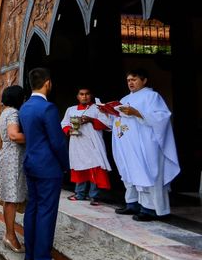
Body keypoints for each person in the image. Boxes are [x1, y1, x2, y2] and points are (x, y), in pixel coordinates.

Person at [105, 69, 179, 221]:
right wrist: (110, 114)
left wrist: (137, 113)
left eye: (134, 79)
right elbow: (121, 121)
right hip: (128, 143)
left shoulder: (152, 96)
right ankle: (133, 203)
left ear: (144, 81)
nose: (130, 82)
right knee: (131, 173)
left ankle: (152, 209)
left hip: (147, 144)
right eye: (128, 80)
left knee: (149, 173)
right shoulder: (125, 98)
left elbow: (162, 117)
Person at [19, 68, 71, 260]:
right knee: (46, 212)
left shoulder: (24, 107)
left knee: (33, 208)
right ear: (47, 83)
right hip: (47, 166)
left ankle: (30, 254)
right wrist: (66, 164)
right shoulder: (47, 108)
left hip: (31, 163)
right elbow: (57, 141)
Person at [61, 86, 112, 205]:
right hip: (77, 143)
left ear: (91, 95)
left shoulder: (98, 109)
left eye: (87, 94)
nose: (84, 96)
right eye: (81, 94)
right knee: (79, 166)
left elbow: (108, 125)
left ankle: (94, 196)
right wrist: (69, 130)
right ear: (77, 96)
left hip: (93, 143)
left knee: (95, 167)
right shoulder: (71, 109)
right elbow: (64, 123)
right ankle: (80, 194)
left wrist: (91, 120)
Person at [0, 85, 27, 253]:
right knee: (12, 199)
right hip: (13, 157)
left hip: (7, 155)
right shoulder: (13, 113)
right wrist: (35, 136)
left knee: (10, 198)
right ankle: (10, 235)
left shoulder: (5, 112)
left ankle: (9, 233)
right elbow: (14, 135)